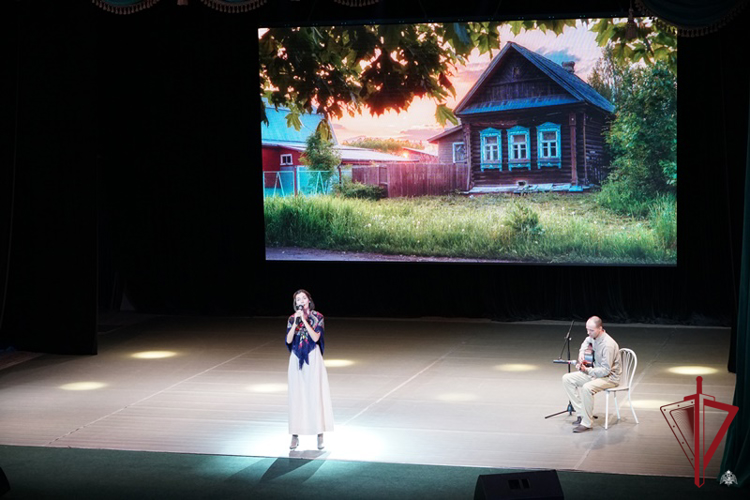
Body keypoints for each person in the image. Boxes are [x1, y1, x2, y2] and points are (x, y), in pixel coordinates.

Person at [285, 289, 334, 450]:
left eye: (303, 298)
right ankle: (295, 434)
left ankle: (320, 434)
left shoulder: (318, 317)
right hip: (296, 358)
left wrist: (305, 321)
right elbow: (289, 339)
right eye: (298, 299)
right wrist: (296, 322)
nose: (301, 300)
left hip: (313, 357)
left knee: (315, 393)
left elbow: (315, 337)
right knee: (296, 394)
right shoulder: (292, 318)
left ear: (309, 300)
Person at [562, 316, 621, 433]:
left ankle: (586, 423)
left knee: (587, 388)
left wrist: (587, 370)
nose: (588, 333)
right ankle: (582, 413)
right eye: (587, 329)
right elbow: (586, 341)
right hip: (596, 374)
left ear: (600, 329)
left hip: (609, 378)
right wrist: (582, 354)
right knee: (567, 378)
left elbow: (605, 370)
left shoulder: (607, 345)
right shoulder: (593, 337)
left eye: (591, 330)